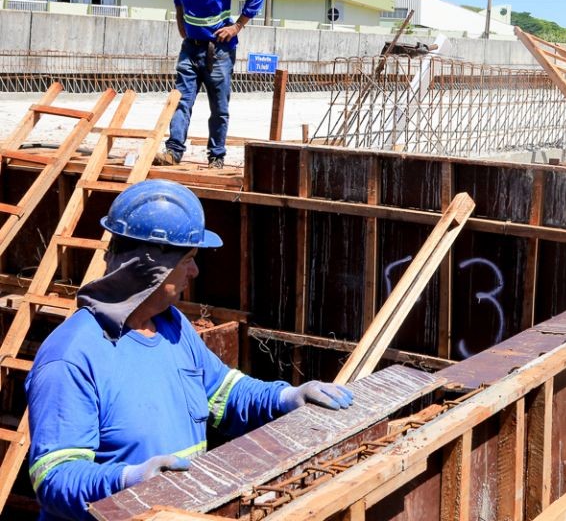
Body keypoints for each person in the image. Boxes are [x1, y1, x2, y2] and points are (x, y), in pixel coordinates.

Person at [25, 180, 352, 520]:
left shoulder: (172, 326)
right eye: (188, 259)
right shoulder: (72, 356)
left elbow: (226, 393)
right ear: (151, 268)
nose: (195, 271)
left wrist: (288, 398)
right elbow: (55, 477)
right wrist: (129, 480)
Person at [154, 0, 264, 169]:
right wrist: (180, 21)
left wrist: (237, 27)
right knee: (181, 100)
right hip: (190, 49)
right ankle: (173, 151)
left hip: (219, 52)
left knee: (219, 107)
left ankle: (216, 156)